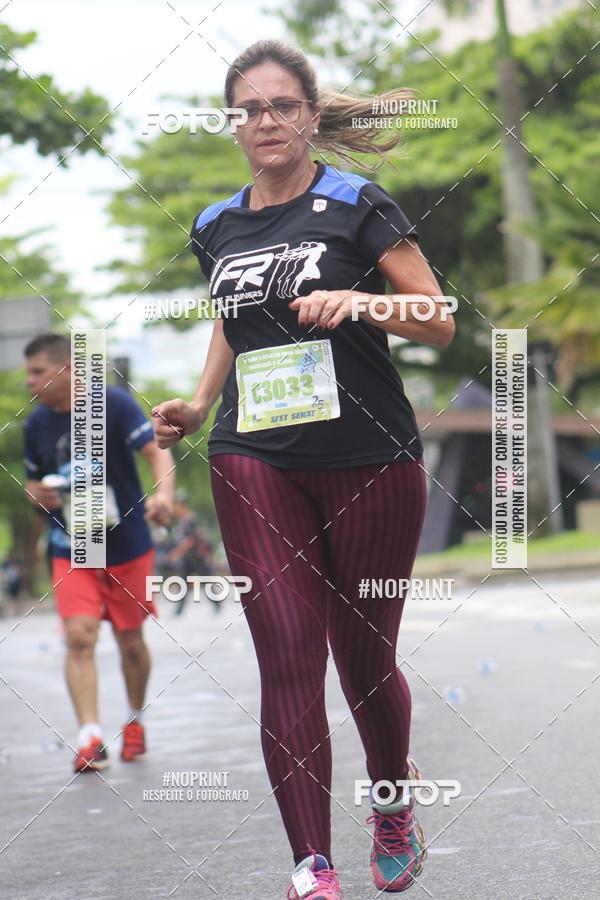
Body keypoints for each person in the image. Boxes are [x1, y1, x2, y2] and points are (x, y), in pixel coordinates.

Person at [151, 39, 455, 899]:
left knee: (364, 660)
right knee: (286, 653)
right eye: (249, 110)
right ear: (234, 127)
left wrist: (359, 301)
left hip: (369, 458)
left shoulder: (357, 202)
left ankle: (391, 804)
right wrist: (204, 405)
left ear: (311, 117)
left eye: (282, 106)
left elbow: (438, 319)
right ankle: (310, 865)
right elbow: (230, 318)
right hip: (257, 457)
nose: (267, 121)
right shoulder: (217, 226)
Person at [22, 334, 175, 773]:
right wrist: (38, 497)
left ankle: (134, 719)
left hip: (127, 544)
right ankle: (89, 737)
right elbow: (36, 487)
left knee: (130, 642)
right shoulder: (35, 425)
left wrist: (163, 496)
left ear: (65, 368)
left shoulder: (113, 402)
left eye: (36, 372)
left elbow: (156, 453)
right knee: (80, 636)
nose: (29, 381)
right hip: (72, 547)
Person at [168, 490, 216, 615]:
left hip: (196, 557)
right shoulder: (182, 521)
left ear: (181, 505)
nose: (174, 509)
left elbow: (191, 539)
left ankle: (217, 604)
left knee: (206, 580)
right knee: (183, 582)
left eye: (175, 506)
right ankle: (178, 610)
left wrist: (178, 552)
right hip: (187, 559)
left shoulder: (191, 519)